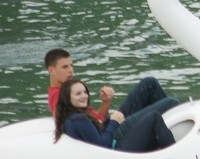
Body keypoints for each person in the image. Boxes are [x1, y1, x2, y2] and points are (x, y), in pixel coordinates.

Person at [44, 48, 176, 124]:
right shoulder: (59, 95)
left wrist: (105, 102)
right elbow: (63, 119)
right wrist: (112, 123)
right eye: (65, 67)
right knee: (170, 101)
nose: (71, 70)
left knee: (149, 84)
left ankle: (169, 124)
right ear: (51, 70)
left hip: (108, 123)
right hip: (112, 129)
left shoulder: (68, 91)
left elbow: (97, 118)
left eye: (71, 65)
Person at [53, 78, 176, 152]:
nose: (84, 96)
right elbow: (103, 145)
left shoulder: (72, 116)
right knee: (155, 115)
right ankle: (176, 153)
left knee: (150, 87)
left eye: (85, 92)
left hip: (113, 142)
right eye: (78, 94)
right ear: (67, 98)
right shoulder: (77, 119)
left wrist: (109, 121)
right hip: (116, 151)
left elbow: (96, 134)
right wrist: (114, 122)